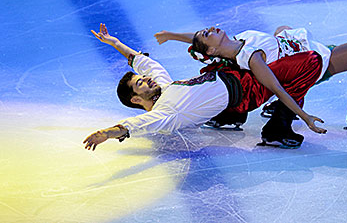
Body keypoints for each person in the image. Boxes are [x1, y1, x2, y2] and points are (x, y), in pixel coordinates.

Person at [83, 23, 327, 151]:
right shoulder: (166, 114)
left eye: (142, 78)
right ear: (136, 100)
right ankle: (279, 125)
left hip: (231, 74)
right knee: (310, 62)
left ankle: (230, 117)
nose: (146, 79)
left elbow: (147, 65)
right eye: (140, 83)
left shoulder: (165, 88)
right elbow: (140, 125)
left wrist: (115, 43)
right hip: (247, 89)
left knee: (225, 49)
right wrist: (108, 133)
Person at [154, 26, 347, 133]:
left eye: (207, 29)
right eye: (208, 34)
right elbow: (277, 87)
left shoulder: (239, 40)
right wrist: (305, 117)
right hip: (320, 61)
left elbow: (198, 40)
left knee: (283, 27)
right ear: (212, 51)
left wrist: (171, 35)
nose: (210, 28)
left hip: (298, 46)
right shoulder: (253, 58)